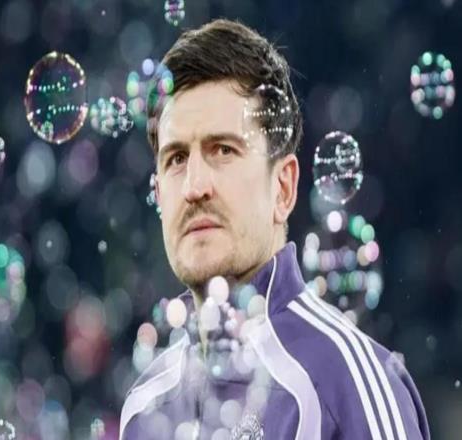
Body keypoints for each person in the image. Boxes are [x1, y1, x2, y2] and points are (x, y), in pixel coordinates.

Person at [119, 18, 430, 440]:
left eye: (223, 150)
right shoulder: (142, 409)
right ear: (158, 192)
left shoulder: (347, 384)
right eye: (176, 158)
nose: (194, 186)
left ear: (283, 188)